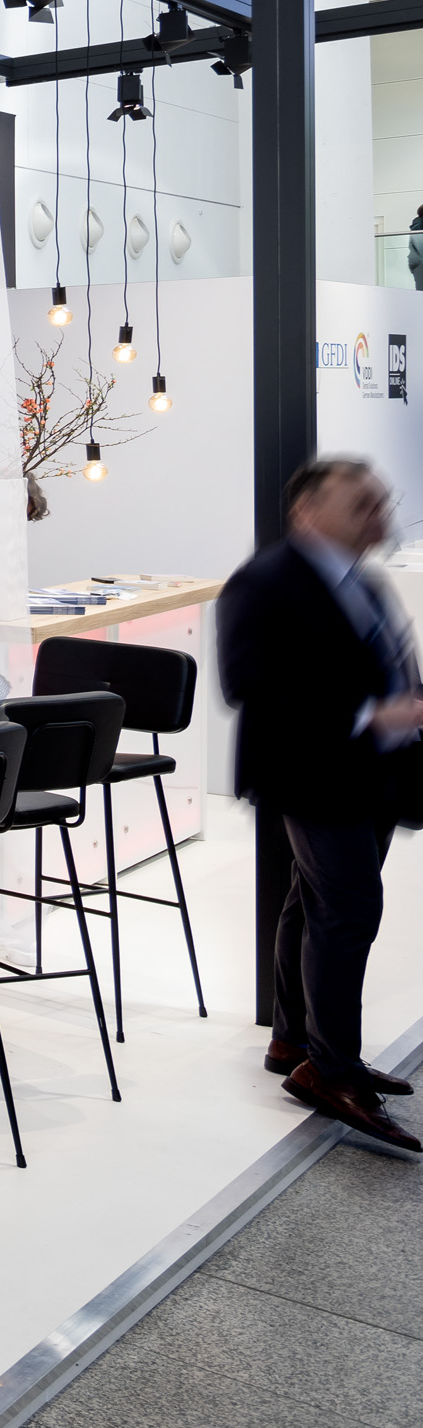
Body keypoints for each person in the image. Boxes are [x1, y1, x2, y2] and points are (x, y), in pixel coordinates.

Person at [219, 454, 423, 1151]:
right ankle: (331, 1071)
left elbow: (386, 662)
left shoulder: (360, 579)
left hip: (373, 773)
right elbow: (250, 684)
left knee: (312, 902)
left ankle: (295, 1040)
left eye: (380, 502)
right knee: (348, 910)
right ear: (307, 511)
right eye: (361, 503)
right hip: (310, 773)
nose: (378, 515)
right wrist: (368, 714)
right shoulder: (264, 581)